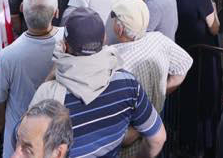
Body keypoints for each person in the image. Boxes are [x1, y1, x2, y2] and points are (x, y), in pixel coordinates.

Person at [30, 8, 165, 158]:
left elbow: (27, 144)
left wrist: (54, 70)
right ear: (105, 39)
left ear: (65, 45)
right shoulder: (127, 82)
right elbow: (158, 138)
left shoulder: (49, 95)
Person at [0, 0, 65, 158]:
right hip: (57, 138)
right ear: (56, 13)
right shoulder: (68, 41)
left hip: (19, 142)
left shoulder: (8, 55)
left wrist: (2, 125)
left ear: (22, 8)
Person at [108, 0, 193, 129]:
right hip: (156, 125)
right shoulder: (158, 39)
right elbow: (185, 63)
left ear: (120, 29)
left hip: (128, 142)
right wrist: (161, 91)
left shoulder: (113, 59)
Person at [168, 0, 220, 157]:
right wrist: (214, 11)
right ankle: (200, 142)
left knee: (182, 97)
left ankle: (181, 137)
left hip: (179, 52)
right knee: (201, 98)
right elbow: (214, 28)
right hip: (201, 57)